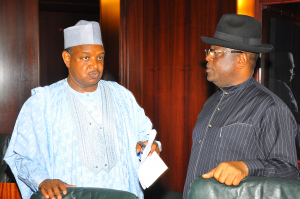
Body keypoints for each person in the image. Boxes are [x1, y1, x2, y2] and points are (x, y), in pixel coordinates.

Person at [4, 20, 161, 199]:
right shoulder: (43, 102)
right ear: (67, 59)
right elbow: (20, 156)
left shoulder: (122, 96)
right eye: (86, 57)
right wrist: (42, 180)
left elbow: (146, 138)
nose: (95, 65)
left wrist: (148, 148)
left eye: (100, 57)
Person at [183, 14, 300, 199]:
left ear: (241, 59)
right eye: (208, 51)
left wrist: (246, 166)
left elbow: (289, 172)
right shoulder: (212, 102)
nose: (208, 58)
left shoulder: (270, 107)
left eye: (215, 52)